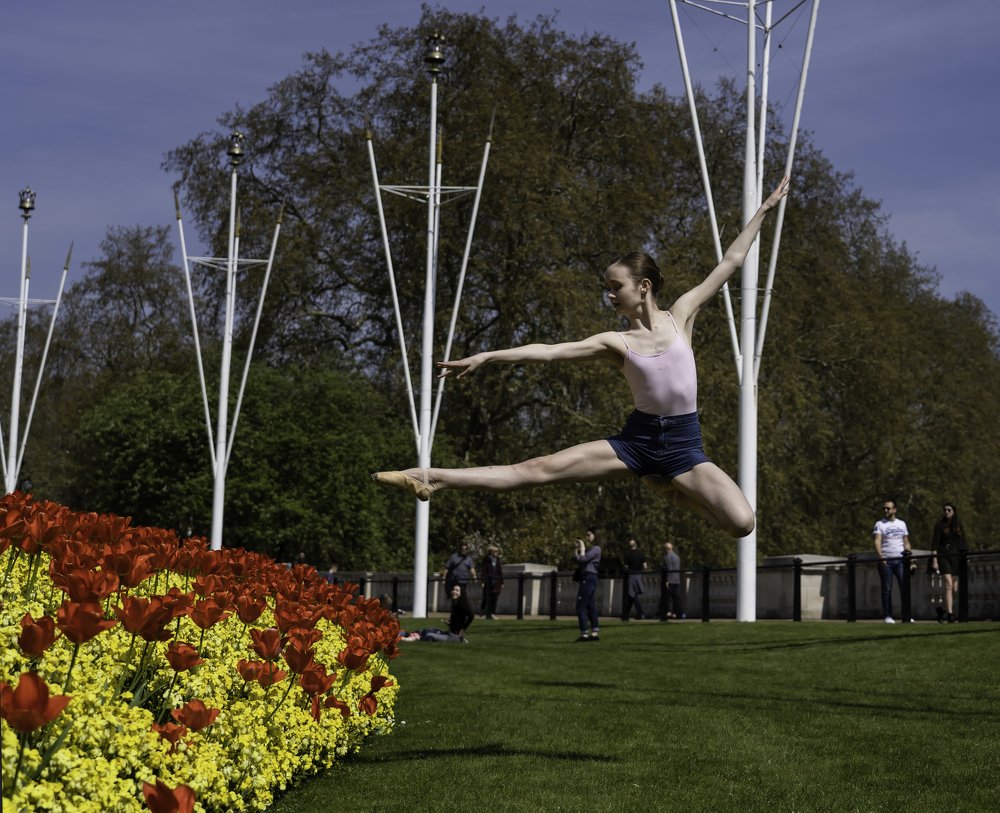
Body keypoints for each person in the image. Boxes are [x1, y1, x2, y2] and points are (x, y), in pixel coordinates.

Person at [372, 178, 792, 536]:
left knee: (742, 523)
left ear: (643, 287)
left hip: (684, 445)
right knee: (535, 469)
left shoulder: (682, 315)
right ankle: (428, 477)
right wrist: (487, 356)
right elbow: (550, 352)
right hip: (637, 441)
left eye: (616, 287)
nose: (609, 295)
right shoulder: (615, 342)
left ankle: (671, 492)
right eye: (607, 288)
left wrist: (765, 209)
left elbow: (731, 261)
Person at [873, 499, 913, 624]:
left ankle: (906, 615)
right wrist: (881, 557)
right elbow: (877, 541)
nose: (886, 510)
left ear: (894, 510)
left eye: (888, 508)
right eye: (884, 508)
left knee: (904, 587)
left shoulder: (902, 524)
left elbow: (906, 542)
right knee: (887, 589)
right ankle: (887, 615)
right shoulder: (880, 524)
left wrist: (911, 560)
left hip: (901, 560)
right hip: (886, 561)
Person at [930, 502, 967, 623]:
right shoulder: (939, 525)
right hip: (943, 556)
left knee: (954, 589)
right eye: (945, 510)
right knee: (948, 585)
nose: (946, 512)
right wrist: (935, 560)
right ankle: (950, 615)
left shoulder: (958, 525)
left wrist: (966, 555)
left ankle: (942, 611)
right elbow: (935, 543)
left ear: (953, 511)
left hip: (956, 557)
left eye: (949, 510)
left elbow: (963, 541)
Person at [574, 529, 602, 641]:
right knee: (591, 606)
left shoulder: (596, 549)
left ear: (595, 535)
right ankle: (594, 632)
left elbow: (583, 559)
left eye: (589, 534)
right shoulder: (593, 549)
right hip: (589, 578)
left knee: (580, 607)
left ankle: (584, 633)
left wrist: (582, 548)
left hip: (589, 577)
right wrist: (576, 549)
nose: (587, 537)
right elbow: (578, 559)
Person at [621, 537, 648, 620]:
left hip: (631, 575)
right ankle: (626, 614)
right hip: (638, 575)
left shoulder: (627, 554)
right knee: (632, 595)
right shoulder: (641, 553)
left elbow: (626, 567)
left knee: (632, 595)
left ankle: (640, 613)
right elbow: (645, 566)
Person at [659, 541, 684, 621]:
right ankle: (678, 613)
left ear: (666, 549)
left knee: (667, 598)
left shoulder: (666, 557)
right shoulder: (677, 557)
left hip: (669, 579)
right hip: (676, 579)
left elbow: (666, 569)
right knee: (676, 598)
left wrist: (666, 580)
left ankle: (667, 612)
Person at [479, 544, 504, 619]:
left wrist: (502, 582)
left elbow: (499, 571)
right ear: (491, 552)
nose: (497, 553)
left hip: (496, 581)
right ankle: (484, 612)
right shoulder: (486, 559)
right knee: (486, 597)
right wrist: (482, 581)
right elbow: (484, 570)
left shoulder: (497, 560)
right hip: (488, 580)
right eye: (495, 551)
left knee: (495, 597)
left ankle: (492, 613)